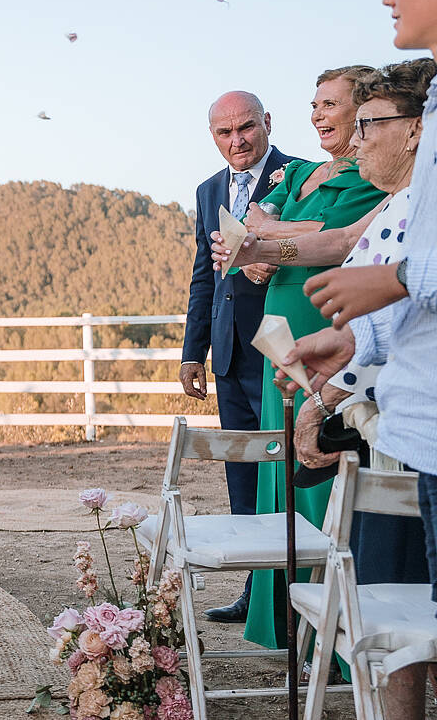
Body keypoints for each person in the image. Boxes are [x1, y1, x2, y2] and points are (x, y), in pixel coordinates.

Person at [286, 0, 437, 719]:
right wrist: (350, 339)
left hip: (412, 423)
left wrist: (390, 287)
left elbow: (406, 273)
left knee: (399, 609)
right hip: (408, 418)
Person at [241, 66, 388, 650]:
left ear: (362, 112)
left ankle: (330, 634)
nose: (318, 115)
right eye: (315, 104)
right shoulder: (299, 169)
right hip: (276, 333)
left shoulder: (367, 176)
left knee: (319, 470)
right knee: (276, 466)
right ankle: (278, 621)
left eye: (331, 104)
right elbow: (256, 217)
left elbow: (336, 238)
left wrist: (269, 240)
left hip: (325, 333)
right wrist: (276, 234)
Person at [179, 91, 299, 623]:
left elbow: (313, 250)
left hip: (280, 351)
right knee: (243, 479)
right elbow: (203, 275)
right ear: (213, 137)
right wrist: (193, 352)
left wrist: (273, 260)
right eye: (225, 133)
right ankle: (257, 596)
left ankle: (293, 598)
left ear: (266, 122)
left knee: (289, 474)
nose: (238, 141)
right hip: (228, 355)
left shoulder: (299, 176)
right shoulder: (209, 190)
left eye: (246, 128)